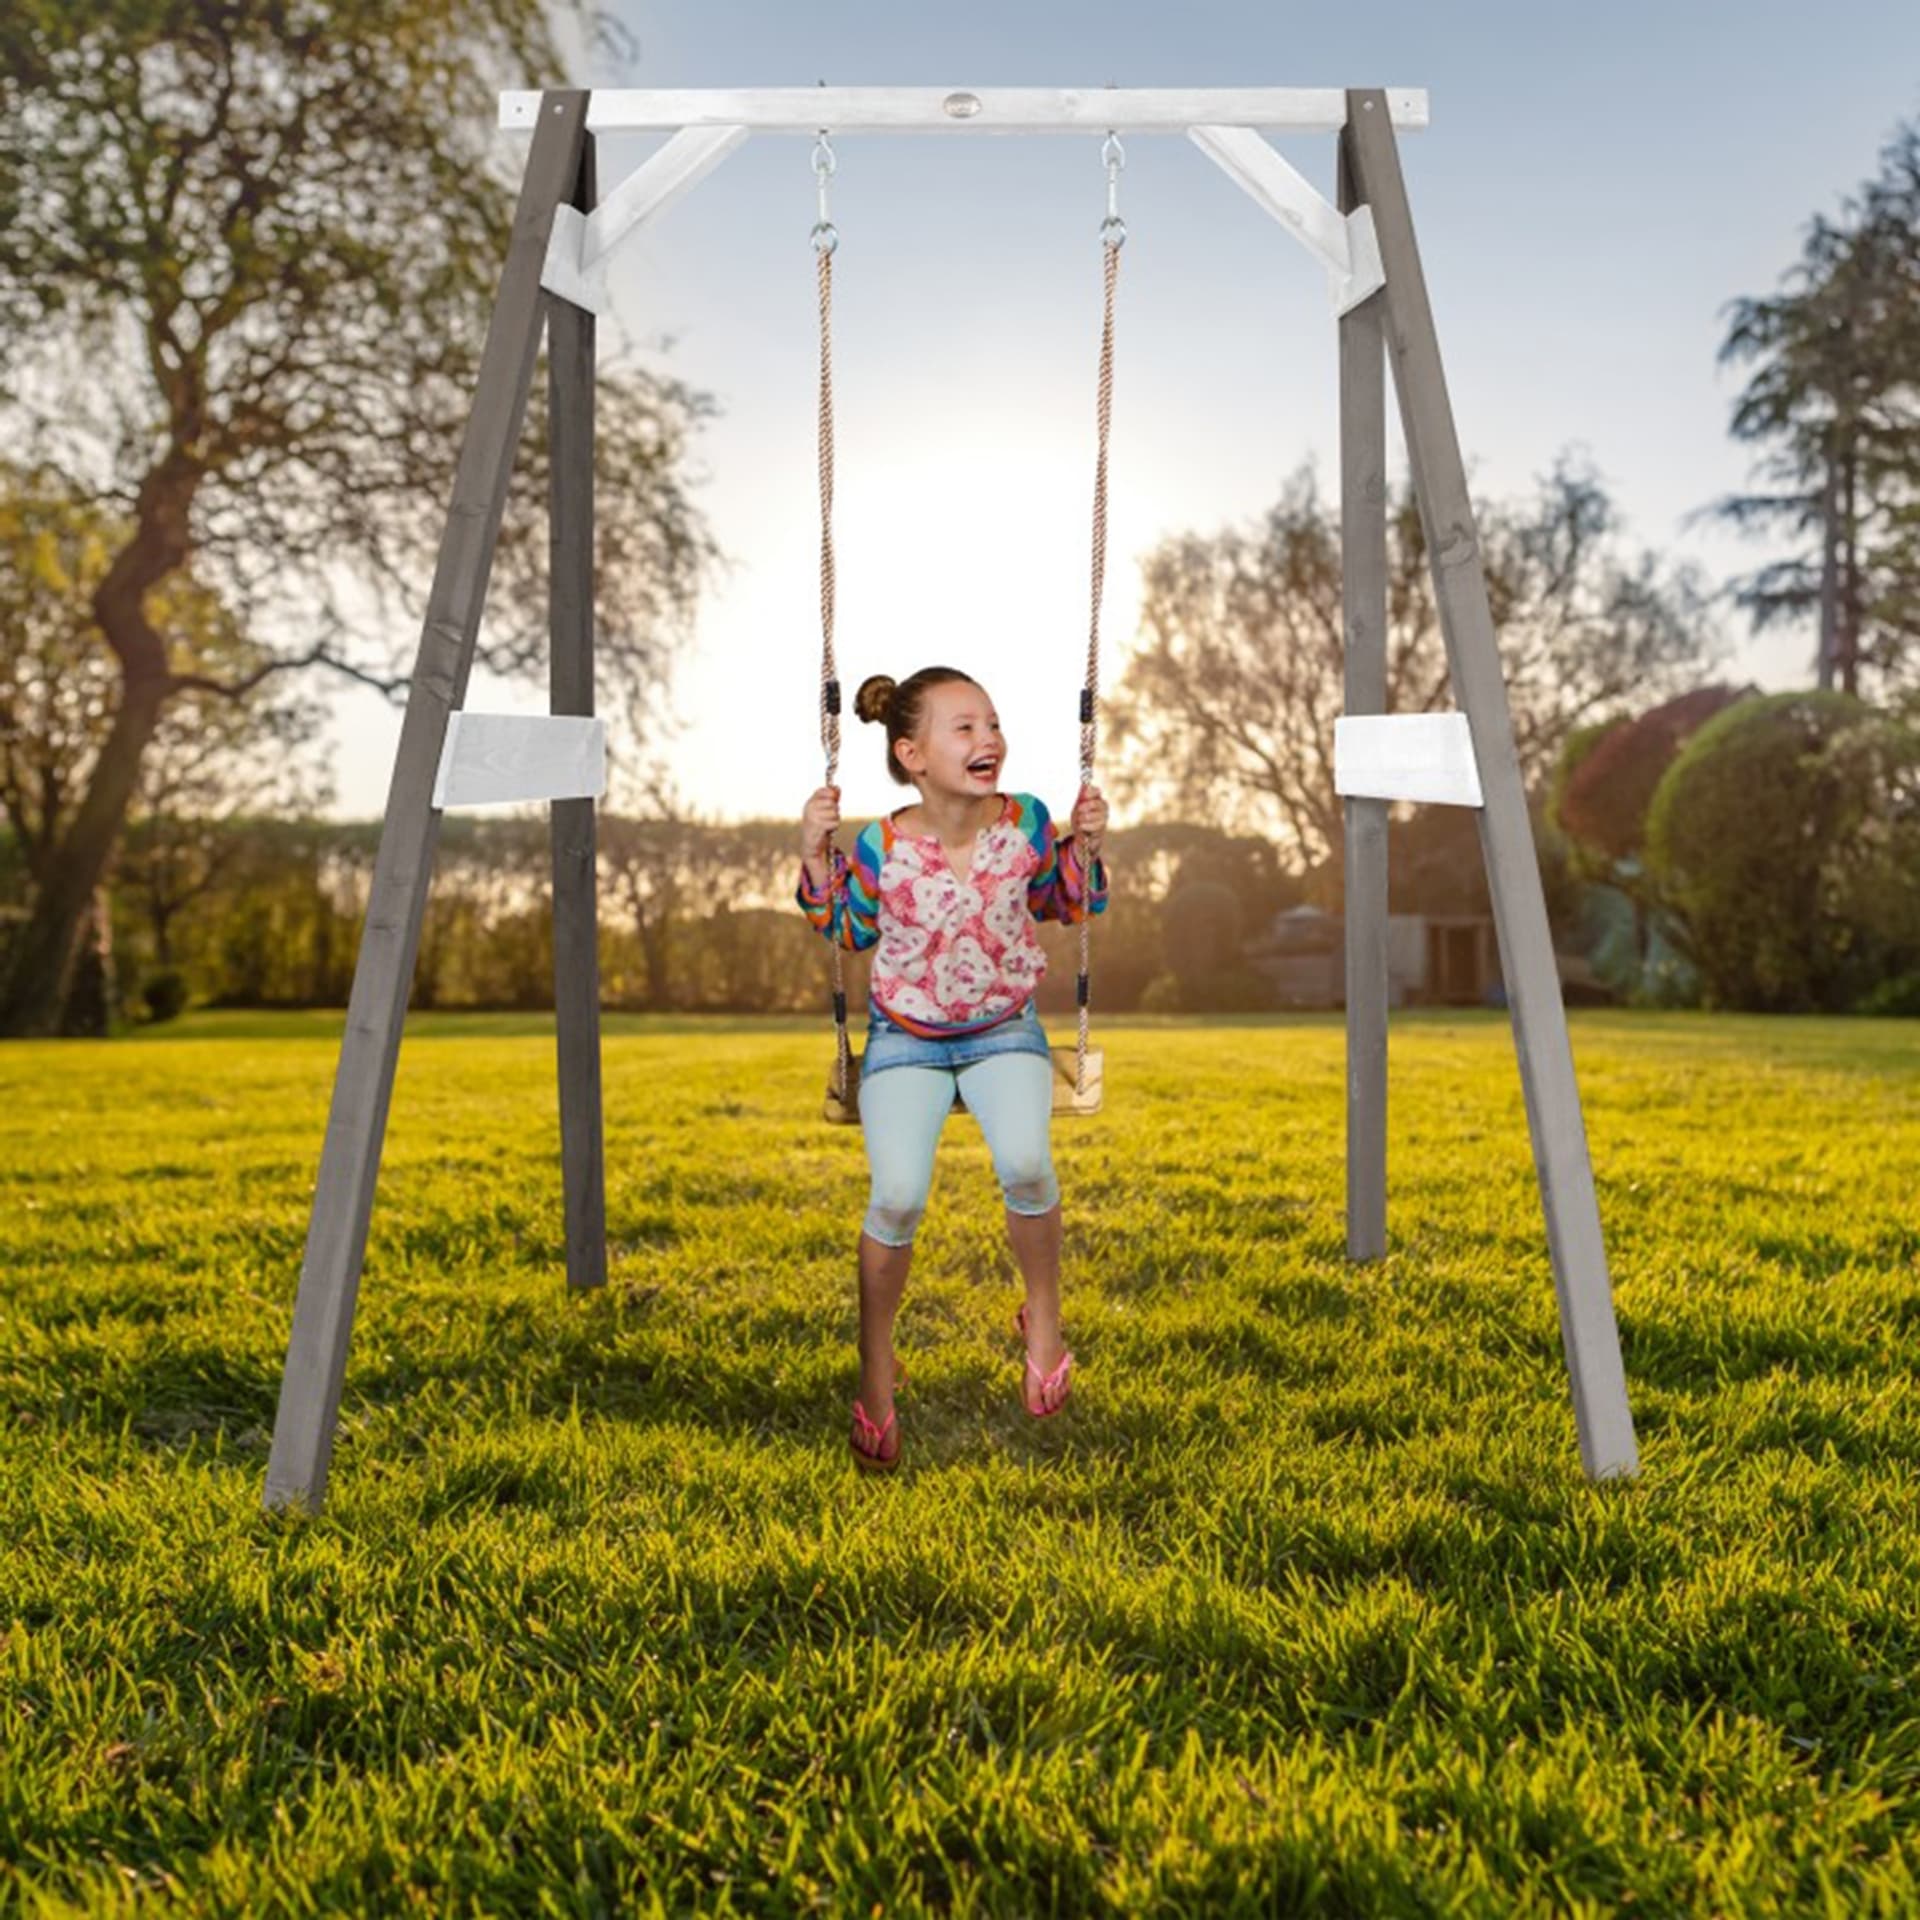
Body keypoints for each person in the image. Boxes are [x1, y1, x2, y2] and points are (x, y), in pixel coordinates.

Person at [797, 665, 1110, 1472]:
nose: (989, 739)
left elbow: (1066, 903)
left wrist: (1087, 846)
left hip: (1005, 1028)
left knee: (1029, 1166)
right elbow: (844, 928)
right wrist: (811, 849)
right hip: (906, 1038)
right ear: (912, 754)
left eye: (993, 723)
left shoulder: (1028, 822)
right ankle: (876, 1365)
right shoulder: (880, 844)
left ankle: (1041, 1320)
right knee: (897, 1196)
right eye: (964, 727)